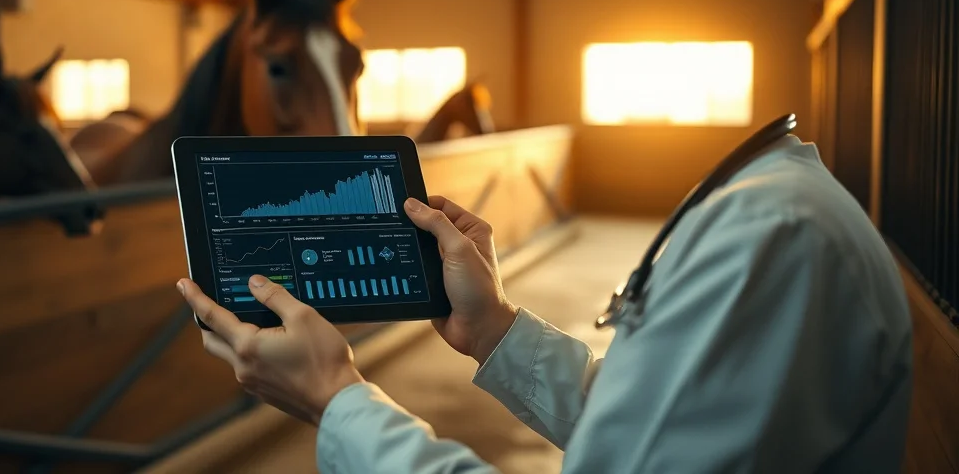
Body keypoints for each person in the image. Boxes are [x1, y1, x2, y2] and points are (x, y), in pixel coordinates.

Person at [176, 134, 914, 472]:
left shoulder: (768, 243)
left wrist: (337, 399)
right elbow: (648, 430)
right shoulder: (782, 205)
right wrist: (494, 329)